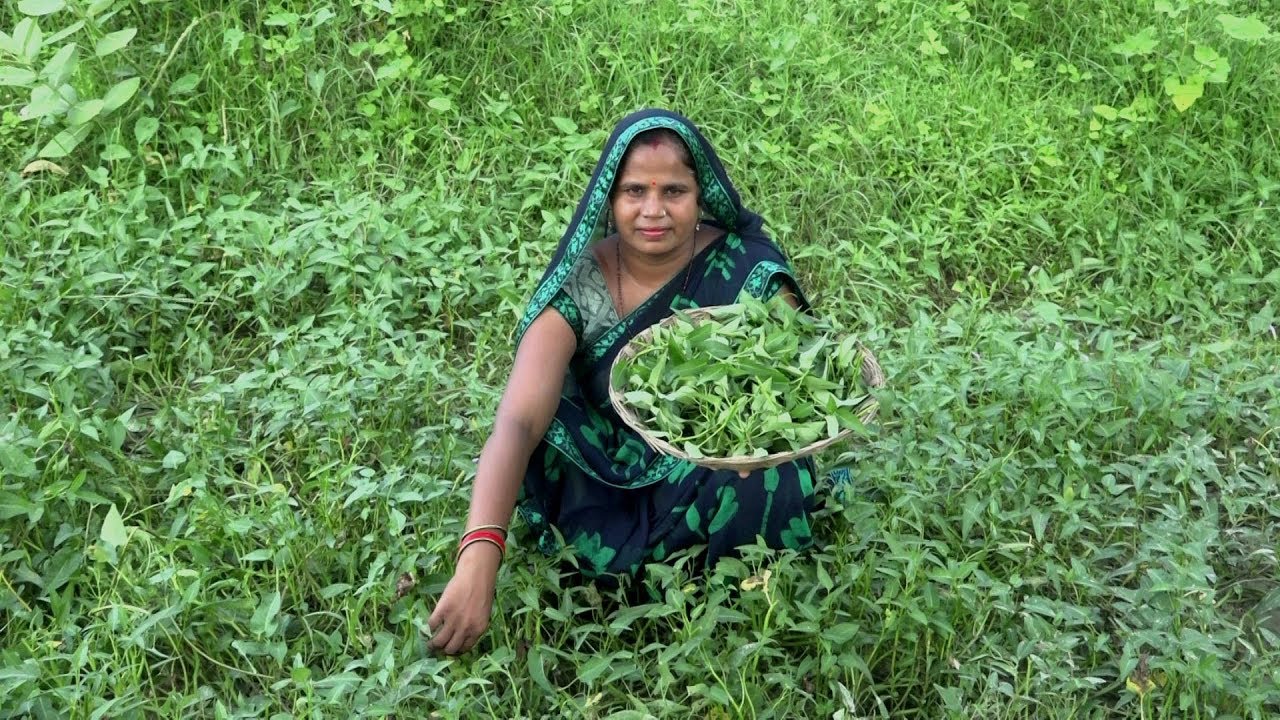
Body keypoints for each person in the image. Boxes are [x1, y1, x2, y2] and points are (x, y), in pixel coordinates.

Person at [426, 108, 824, 656]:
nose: (653, 211)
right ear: (608, 200)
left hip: (711, 459)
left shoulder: (743, 266)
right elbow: (518, 420)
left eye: (674, 191)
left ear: (700, 193)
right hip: (606, 480)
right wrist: (479, 553)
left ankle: (737, 619)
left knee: (771, 473)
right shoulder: (586, 281)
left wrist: (757, 439)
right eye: (635, 190)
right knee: (551, 418)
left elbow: (798, 377)